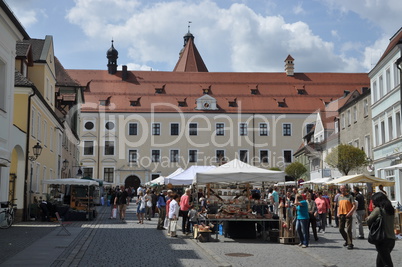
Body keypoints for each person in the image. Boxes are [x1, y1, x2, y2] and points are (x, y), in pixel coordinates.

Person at [366, 192, 396, 267]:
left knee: (387, 263)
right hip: (391, 239)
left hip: (382, 239)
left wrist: (372, 210)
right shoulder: (390, 209)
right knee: (380, 263)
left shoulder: (378, 209)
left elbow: (368, 220)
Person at [337, 185, 356, 250]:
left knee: (348, 229)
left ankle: (350, 244)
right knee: (340, 229)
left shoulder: (350, 196)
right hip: (341, 214)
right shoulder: (339, 197)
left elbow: (354, 206)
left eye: (343, 188)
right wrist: (338, 213)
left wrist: (350, 213)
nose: (342, 190)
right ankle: (347, 240)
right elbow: (338, 206)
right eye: (341, 188)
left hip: (348, 214)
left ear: (346, 189)